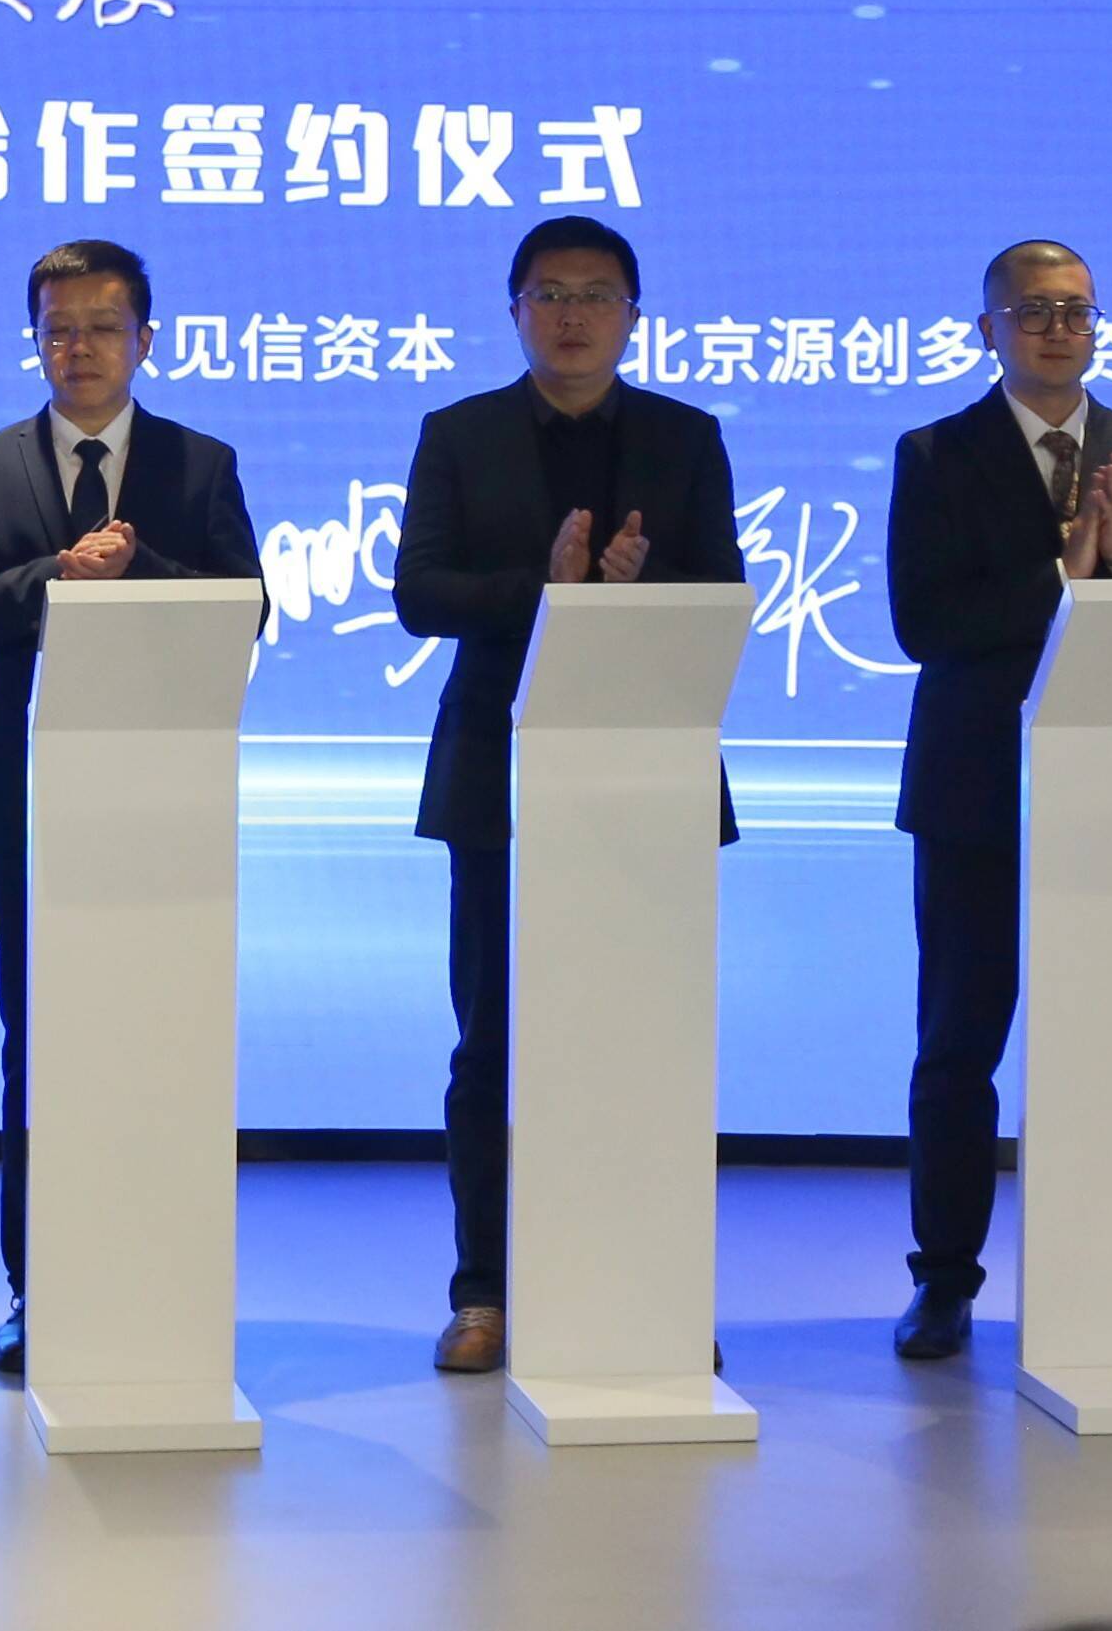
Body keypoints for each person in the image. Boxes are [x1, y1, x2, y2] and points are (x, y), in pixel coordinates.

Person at [390, 215, 741, 1378]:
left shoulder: (687, 437)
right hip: (500, 770)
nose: (573, 315)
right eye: (550, 294)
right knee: (491, 1041)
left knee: (647, 1042)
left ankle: (650, 1291)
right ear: (514, 310)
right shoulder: (459, 433)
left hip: (649, 774)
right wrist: (546, 593)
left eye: (597, 295)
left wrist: (637, 590)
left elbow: (722, 591)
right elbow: (420, 593)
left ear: (633, 316)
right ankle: (484, 1291)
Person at [0, 238, 263, 1378]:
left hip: (163, 798)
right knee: (41, 1044)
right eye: (58, 328)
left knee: (158, 1039)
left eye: (104, 326)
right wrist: (58, 575)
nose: (80, 347)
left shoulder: (200, 465)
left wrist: (136, 571)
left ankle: (156, 1276)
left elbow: (246, 610)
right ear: (35, 340)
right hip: (25, 803)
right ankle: (38, 1286)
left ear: (145, 339)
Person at [880, 238, 1112, 1362]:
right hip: (974, 788)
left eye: (1075, 311)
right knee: (958, 1046)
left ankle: (1103, 1272)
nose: (1056, 328)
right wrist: (1061, 573)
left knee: (1109, 1044)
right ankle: (945, 1279)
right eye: (1031, 311)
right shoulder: (935, 452)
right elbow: (924, 622)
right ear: (989, 330)